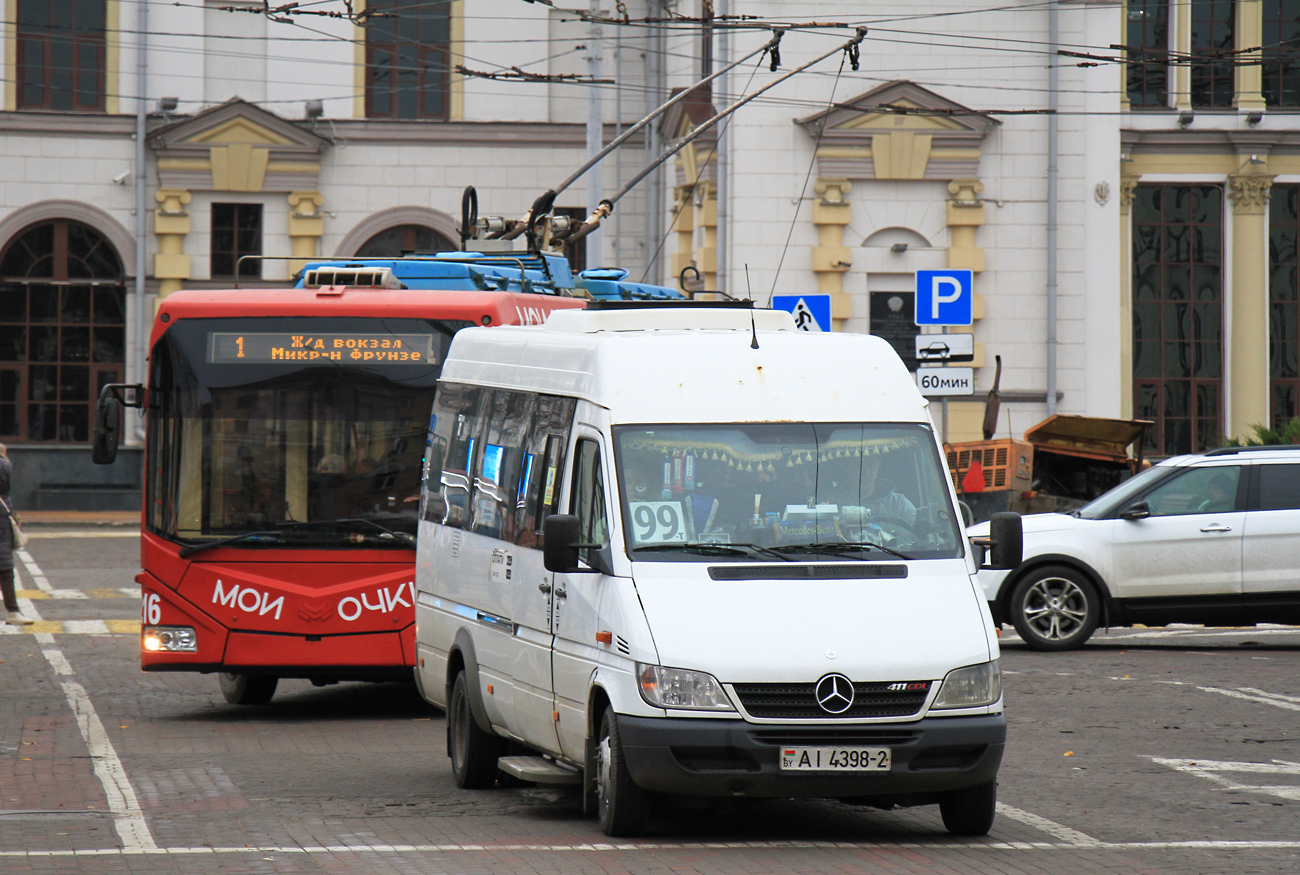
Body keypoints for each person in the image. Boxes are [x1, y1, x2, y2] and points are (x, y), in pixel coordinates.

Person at [0, 444, 33, 626]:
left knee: (5, 570)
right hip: (2, 521)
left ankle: (13, 611)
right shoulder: (4, 466)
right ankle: (13, 611)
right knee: (5, 571)